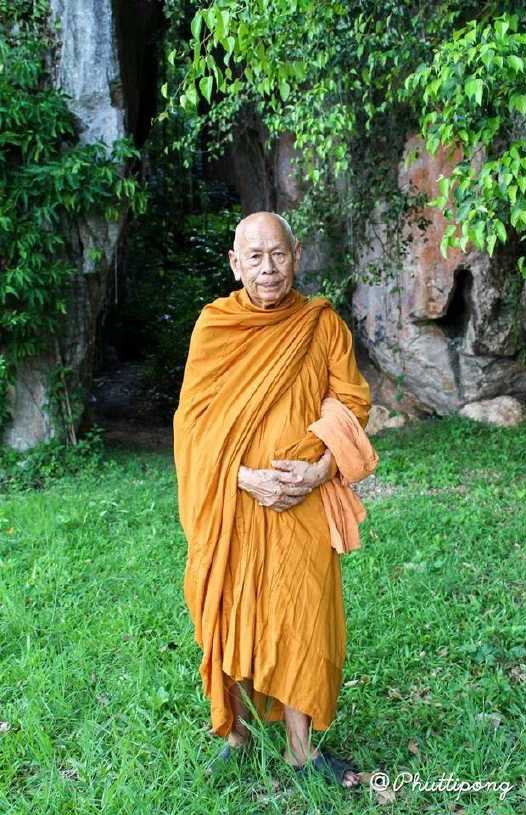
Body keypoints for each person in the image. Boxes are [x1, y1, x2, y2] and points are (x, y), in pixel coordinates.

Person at [173, 210, 372, 788]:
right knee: (229, 607)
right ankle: (235, 734)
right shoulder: (215, 327)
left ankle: (300, 749)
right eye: (255, 257)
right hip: (232, 501)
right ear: (235, 264)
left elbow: (350, 403)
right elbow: (193, 426)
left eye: (278, 255)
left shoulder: (321, 324)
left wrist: (320, 470)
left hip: (302, 501)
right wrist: (242, 476)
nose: (268, 269)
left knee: (302, 612)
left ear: (296, 254)